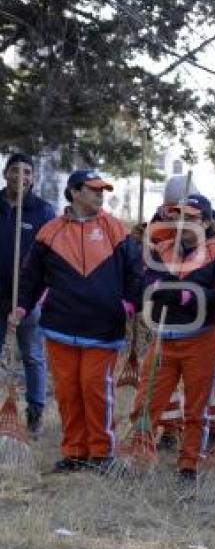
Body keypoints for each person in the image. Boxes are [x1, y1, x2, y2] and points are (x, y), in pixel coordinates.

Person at [13, 170, 142, 473]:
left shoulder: (115, 229)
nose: (100, 195)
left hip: (103, 328)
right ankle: (74, 452)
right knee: (68, 392)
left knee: (95, 390)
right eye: (93, 189)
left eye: (103, 190)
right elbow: (31, 277)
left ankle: (101, 454)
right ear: (74, 192)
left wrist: (127, 303)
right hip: (59, 327)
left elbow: (136, 273)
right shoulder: (50, 231)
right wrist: (21, 308)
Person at [129, 194, 215, 481]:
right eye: (179, 216)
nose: (183, 223)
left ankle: (189, 465)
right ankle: (139, 457)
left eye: (192, 217)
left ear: (206, 222)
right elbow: (147, 284)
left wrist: (183, 294)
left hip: (201, 340)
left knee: (197, 408)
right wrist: (185, 292)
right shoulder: (162, 248)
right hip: (163, 338)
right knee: (145, 404)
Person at [0, 153, 54, 437]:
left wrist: (38, 295)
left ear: (33, 178)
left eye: (27, 172)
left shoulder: (43, 212)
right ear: (5, 173)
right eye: (15, 170)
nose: (21, 176)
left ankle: (35, 413)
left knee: (32, 355)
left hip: (28, 297)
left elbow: (50, 258)